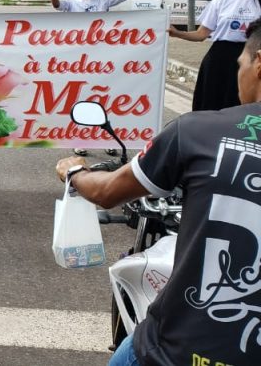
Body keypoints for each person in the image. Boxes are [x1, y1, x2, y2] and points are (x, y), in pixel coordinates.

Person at [55, 21, 261, 366]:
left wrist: (74, 171)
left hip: (174, 352)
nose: (236, 73)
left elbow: (106, 192)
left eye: (239, 63)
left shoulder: (198, 130)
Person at [47, 0, 168, 156]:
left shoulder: (104, 0)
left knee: (103, 100)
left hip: (103, 60)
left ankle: (107, 139)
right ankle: (80, 140)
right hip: (78, 62)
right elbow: (55, 3)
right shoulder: (71, 3)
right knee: (81, 101)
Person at [168, 0, 260, 112]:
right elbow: (201, 34)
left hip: (251, 58)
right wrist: (177, 33)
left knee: (243, 106)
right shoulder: (220, 2)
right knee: (213, 102)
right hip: (219, 59)